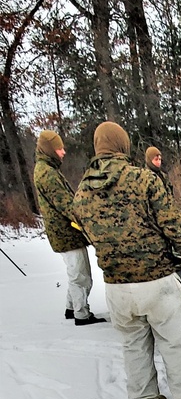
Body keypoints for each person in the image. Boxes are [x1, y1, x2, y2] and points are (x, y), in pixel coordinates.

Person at [73, 121, 181, 399]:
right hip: (157, 281)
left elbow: (87, 232)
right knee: (178, 343)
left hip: (116, 287)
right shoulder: (144, 180)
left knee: (133, 346)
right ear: (123, 145)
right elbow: (173, 225)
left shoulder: (81, 193)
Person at [32, 130, 106, 326]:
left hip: (65, 233)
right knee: (81, 276)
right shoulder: (46, 173)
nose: (63, 152)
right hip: (66, 234)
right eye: (59, 148)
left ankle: (71, 308)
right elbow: (65, 205)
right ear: (50, 150)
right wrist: (87, 222)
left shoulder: (47, 169)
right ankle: (82, 314)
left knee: (75, 272)